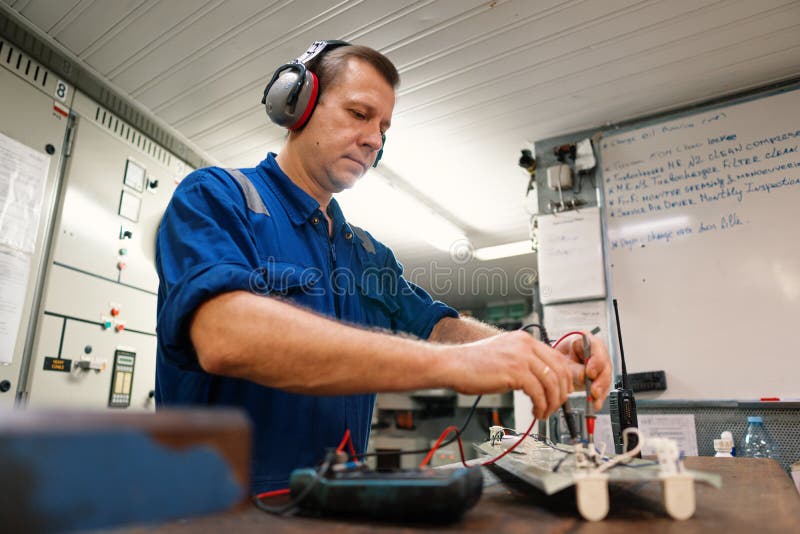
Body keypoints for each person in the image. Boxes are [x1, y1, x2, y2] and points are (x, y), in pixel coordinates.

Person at [155, 41, 613, 494]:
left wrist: (544, 356)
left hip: (332, 504)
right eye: (359, 114)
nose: (374, 139)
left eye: (383, 127)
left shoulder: (366, 253)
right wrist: (453, 366)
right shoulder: (217, 197)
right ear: (296, 104)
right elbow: (224, 337)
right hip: (218, 508)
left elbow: (440, 328)